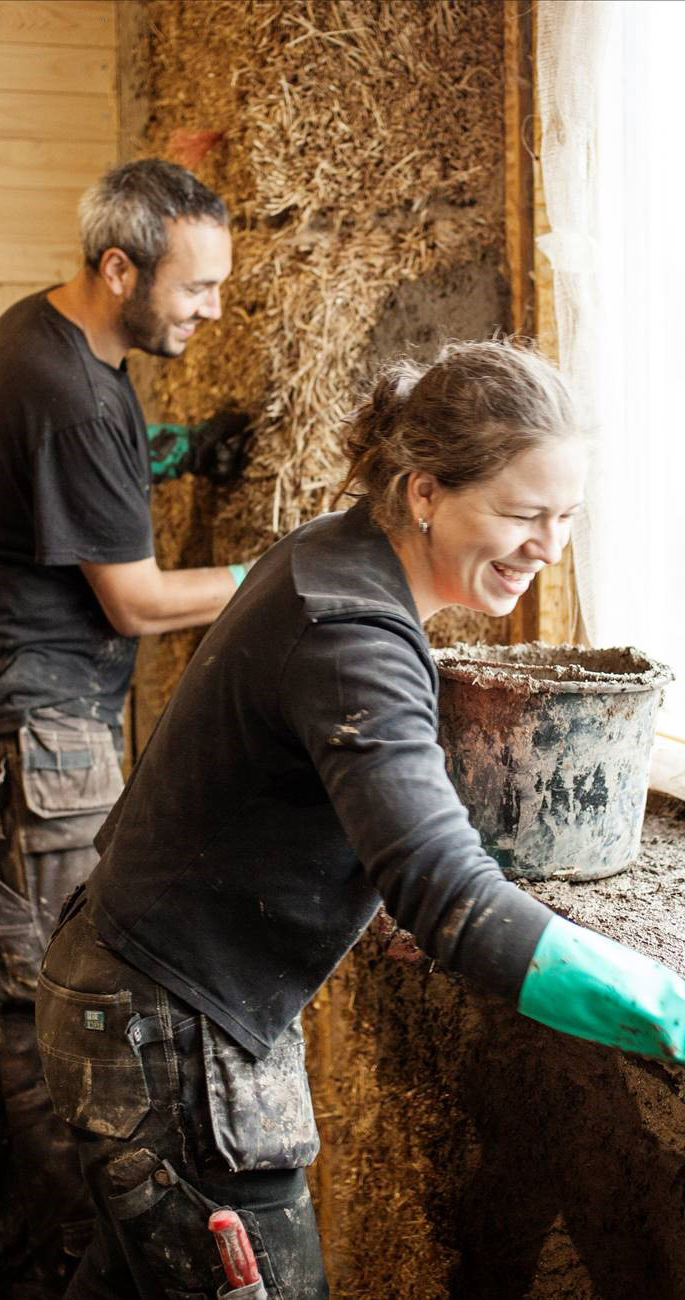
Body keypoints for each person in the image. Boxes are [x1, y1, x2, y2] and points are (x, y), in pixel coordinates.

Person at [36, 340, 685, 1300]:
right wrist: (669, 1011)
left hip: (124, 986)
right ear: (424, 491)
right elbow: (448, 896)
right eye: (520, 513)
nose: (548, 546)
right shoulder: (351, 634)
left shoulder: (327, 553)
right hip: (169, 1034)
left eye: (566, 517)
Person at [0, 159, 253, 1297]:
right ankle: (65, 1264)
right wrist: (275, 575)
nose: (210, 311)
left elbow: (81, 484)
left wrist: (185, 450)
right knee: (53, 1018)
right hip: (44, 736)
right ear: (119, 267)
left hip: (24, 721)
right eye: (196, 290)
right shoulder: (68, 392)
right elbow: (136, 600)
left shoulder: (41, 339)